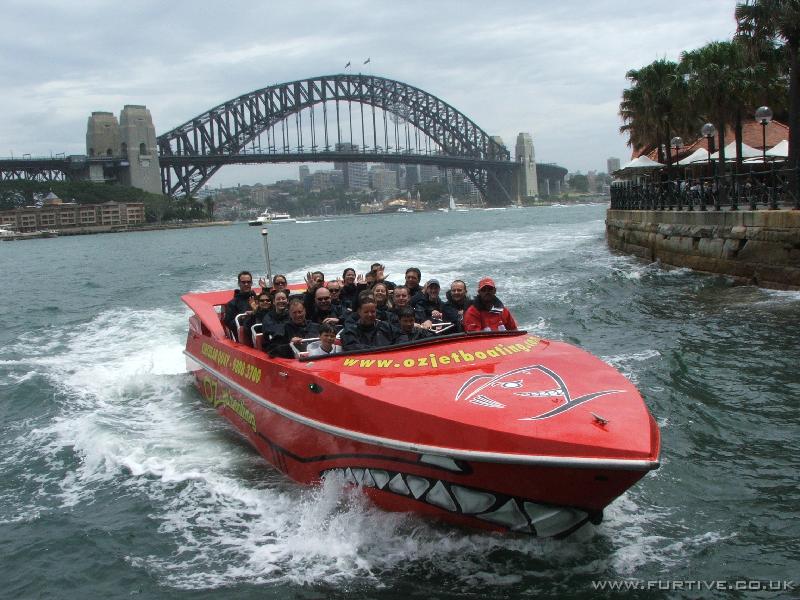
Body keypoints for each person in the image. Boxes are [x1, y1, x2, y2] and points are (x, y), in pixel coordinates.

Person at [224, 271, 256, 340]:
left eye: (248, 282)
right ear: (239, 283)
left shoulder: (258, 299)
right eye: (243, 282)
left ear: (252, 283)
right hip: (246, 336)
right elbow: (228, 323)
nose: (246, 284)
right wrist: (242, 318)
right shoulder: (232, 304)